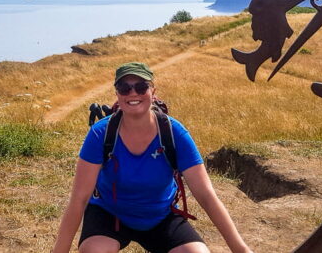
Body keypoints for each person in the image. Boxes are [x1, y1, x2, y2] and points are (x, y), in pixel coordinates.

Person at [52, 62, 253, 253]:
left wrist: (240, 249)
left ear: (153, 92)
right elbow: (80, 198)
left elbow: (206, 195)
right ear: (117, 94)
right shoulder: (101, 134)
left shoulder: (174, 134)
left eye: (141, 87)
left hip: (160, 215)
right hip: (110, 213)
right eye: (124, 87)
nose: (133, 93)